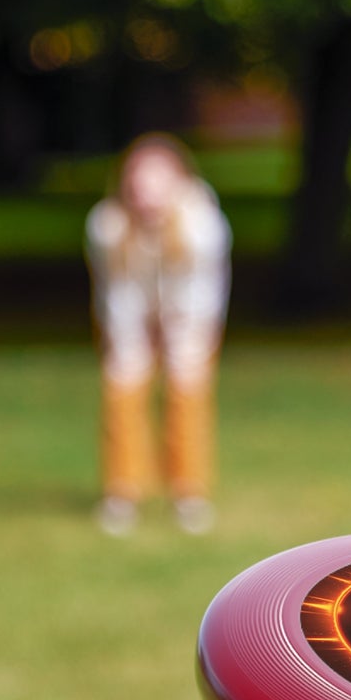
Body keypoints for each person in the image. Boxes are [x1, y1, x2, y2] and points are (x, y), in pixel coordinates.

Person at [85, 133, 232, 536]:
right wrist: (132, 340)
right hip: (129, 316)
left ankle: (189, 494)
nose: (146, 193)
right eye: (138, 182)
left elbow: (203, 291)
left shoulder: (202, 224)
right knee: (122, 388)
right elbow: (116, 291)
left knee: (187, 393)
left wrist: (178, 335)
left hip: (190, 317)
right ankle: (122, 492)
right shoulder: (107, 225)